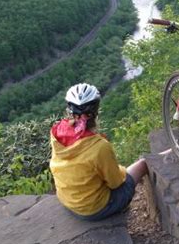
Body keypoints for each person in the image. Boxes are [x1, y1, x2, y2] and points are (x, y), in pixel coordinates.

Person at [49, 83, 148, 221]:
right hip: (92, 209)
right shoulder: (100, 147)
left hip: (67, 200)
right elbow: (116, 183)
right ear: (96, 111)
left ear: (69, 110)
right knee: (143, 164)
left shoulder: (57, 131)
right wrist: (121, 170)